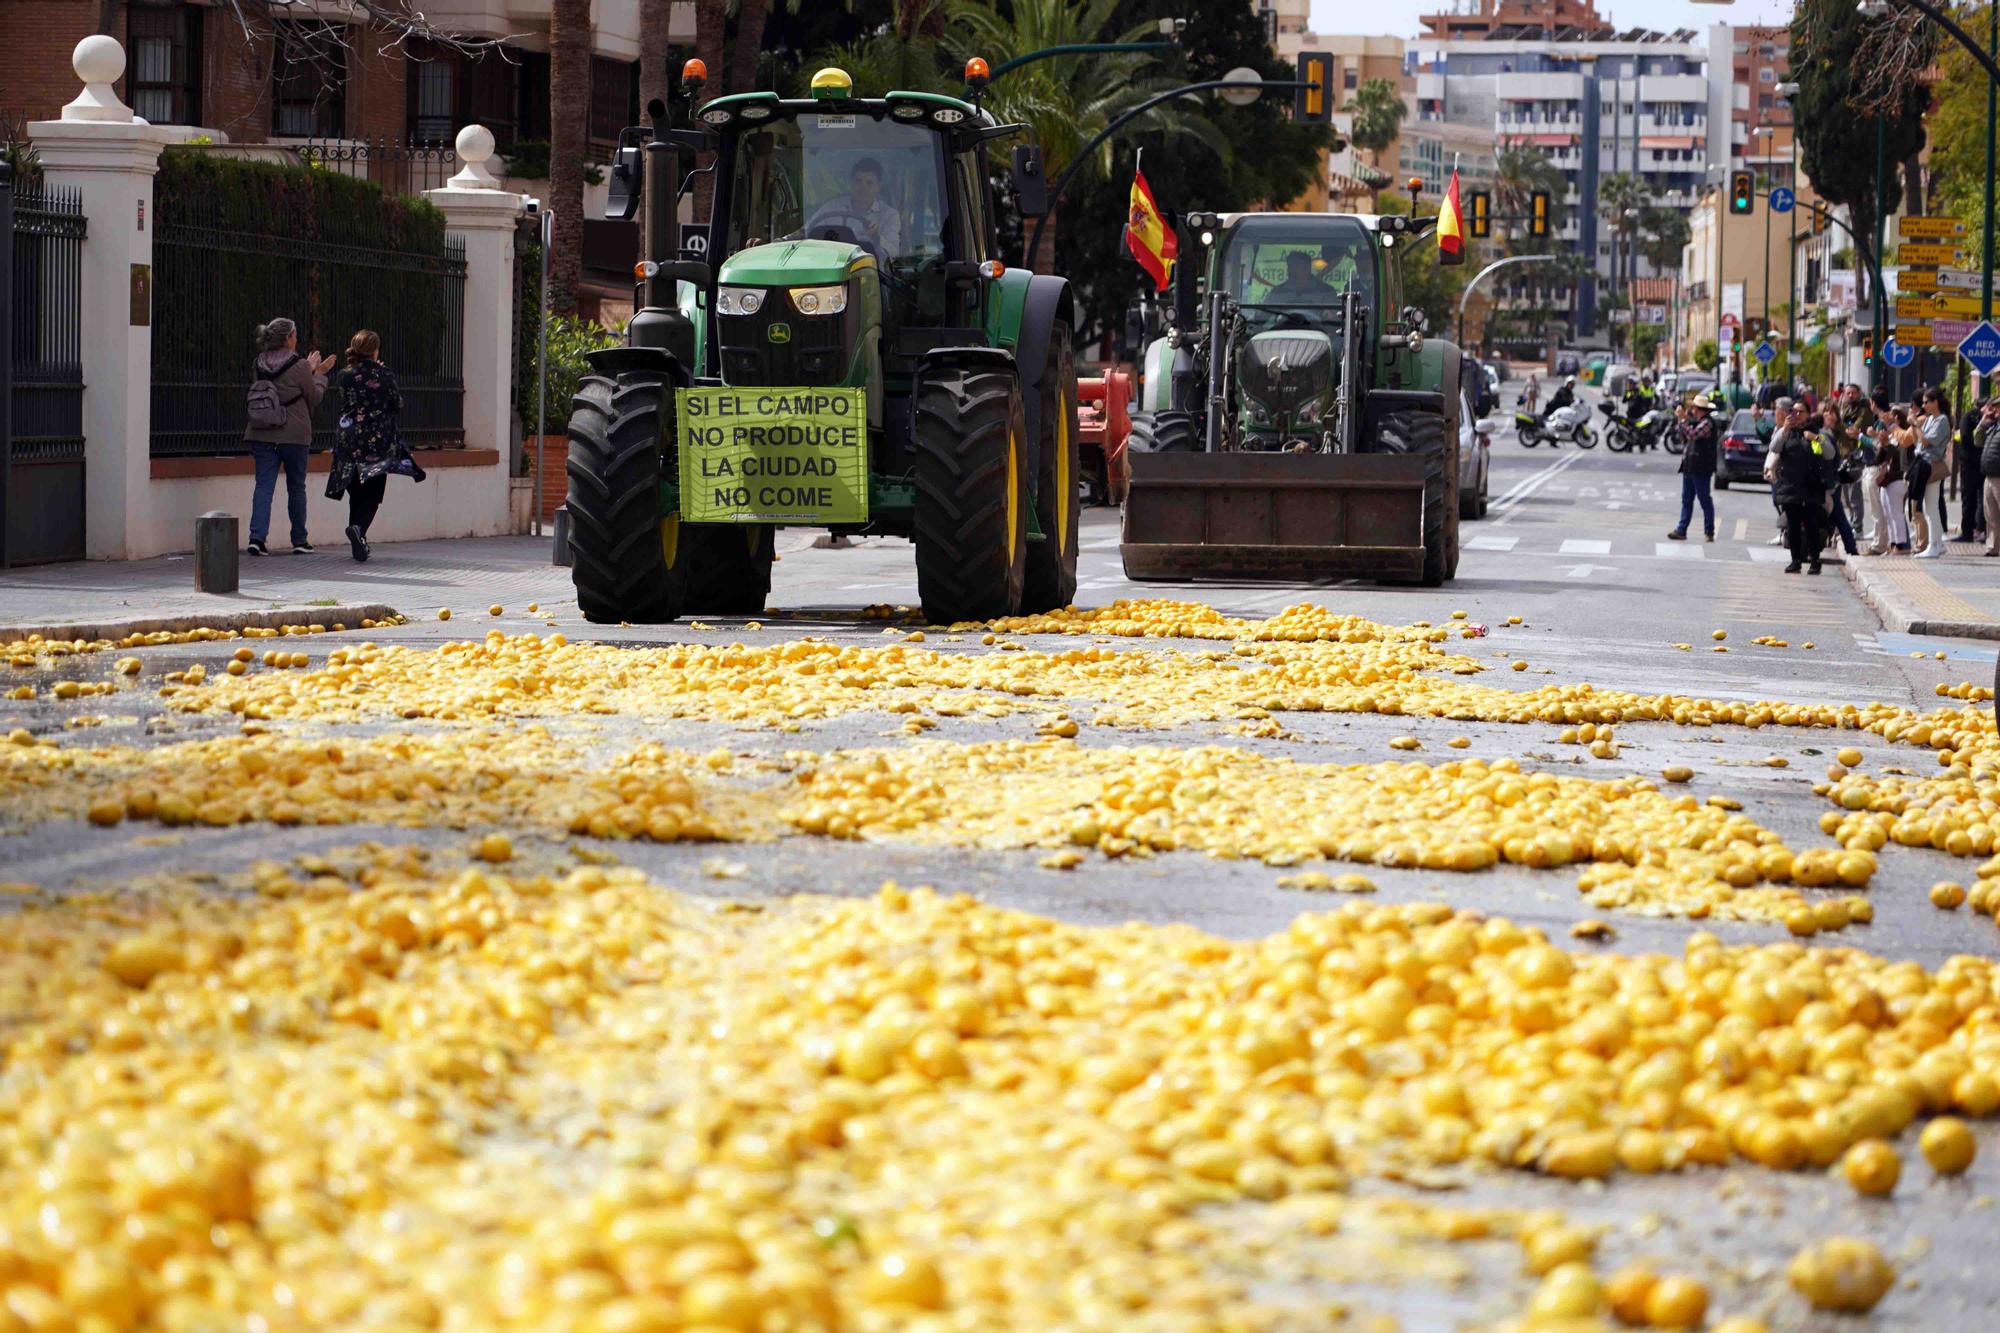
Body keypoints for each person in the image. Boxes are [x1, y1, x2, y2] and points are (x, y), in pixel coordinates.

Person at [328, 330, 422, 562]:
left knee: (355, 488)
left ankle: (358, 533)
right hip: (376, 440)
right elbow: (396, 403)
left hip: (348, 438)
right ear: (376, 350)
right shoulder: (385, 375)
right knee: (373, 490)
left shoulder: (344, 375)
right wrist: (380, 373)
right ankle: (358, 529)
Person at [243, 317, 333, 556]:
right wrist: (320, 373)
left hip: (262, 432)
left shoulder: (259, 362)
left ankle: (257, 538)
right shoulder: (300, 364)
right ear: (288, 338)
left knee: (263, 486)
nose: (297, 338)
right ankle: (299, 541)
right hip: (294, 433)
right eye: (295, 334)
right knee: (296, 487)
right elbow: (313, 397)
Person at [1770, 399, 1829, 574]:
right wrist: (1784, 430)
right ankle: (1795, 560)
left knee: (1812, 525)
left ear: (1807, 414)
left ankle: (1815, 561)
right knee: (1793, 526)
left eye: (1800, 412)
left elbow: (1828, 453)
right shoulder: (1786, 432)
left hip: (1811, 486)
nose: (1796, 415)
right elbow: (1774, 447)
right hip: (1790, 486)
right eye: (1793, 412)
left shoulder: (1815, 431)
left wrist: (1815, 439)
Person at [806, 157, 903, 257]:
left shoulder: (889, 215)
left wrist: (877, 237)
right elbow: (807, 230)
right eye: (858, 181)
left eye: (869, 183)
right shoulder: (833, 206)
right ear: (851, 183)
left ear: (878, 187)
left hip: (874, 271)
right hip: (834, 267)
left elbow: (893, 253)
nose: (863, 188)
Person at [1667, 396, 1718, 542]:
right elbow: (1684, 437)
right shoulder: (1697, 422)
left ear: (1699, 409)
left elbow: (1693, 434)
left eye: (1693, 408)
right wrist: (1681, 421)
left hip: (1701, 467)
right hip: (1689, 465)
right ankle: (1681, 530)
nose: (1691, 410)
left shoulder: (1707, 423)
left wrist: (1683, 420)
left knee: (1704, 500)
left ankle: (1709, 531)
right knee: (1686, 499)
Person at [1818, 403, 1860, 557]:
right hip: (1819, 480)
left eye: (1831, 412)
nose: (1828, 416)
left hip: (1832, 480)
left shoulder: (1831, 433)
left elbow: (1832, 454)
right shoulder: (1819, 434)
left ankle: (1851, 547)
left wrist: (1836, 424)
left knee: (1839, 514)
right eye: (1825, 412)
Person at [1914, 388, 1952, 557]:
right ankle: (1938, 543)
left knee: (1931, 506)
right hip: (1923, 463)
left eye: (1926, 402)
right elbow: (1919, 443)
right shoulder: (1930, 419)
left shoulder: (1942, 420)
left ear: (1935, 402)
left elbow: (1928, 442)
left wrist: (1915, 425)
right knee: (1928, 506)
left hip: (1933, 465)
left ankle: (1934, 544)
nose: (1923, 405)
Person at [1869, 412, 1912, 555]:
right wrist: (1882, 445)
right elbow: (1877, 459)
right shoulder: (1891, 436)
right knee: (1888, 514)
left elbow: (1898, 455)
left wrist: (1887, 444)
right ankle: (1893, 543)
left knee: (1897, 514)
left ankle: (1901, 545)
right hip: (1886, 481)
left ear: (1898, 418)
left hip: (1897, 480)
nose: (1886, 419)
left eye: (1891, 416)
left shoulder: (1903, 436)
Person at [1958, 393, 1988, 544]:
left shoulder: (1968, 417)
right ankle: (1977, 530)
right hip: (1974, 463)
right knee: (1976, 498)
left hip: (1974, 463)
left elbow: (1964, 437)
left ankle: (1971, 531)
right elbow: (1965, 437)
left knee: (1975, 499)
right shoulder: (1971, 417)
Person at [1266, 250, 1334, 304]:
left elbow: (1336, 318)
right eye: (1289, 266)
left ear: (1308, 268)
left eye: (1296, 266)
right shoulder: (1277, 293)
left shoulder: (1326, 292)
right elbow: (1261, 316)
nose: (1291, 270)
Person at [1981, 398, 2000, 556]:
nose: (1996, 411)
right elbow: (1977, 440)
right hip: (1989, 475)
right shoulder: (1993, 427)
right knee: (1990, 514)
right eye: (1995, 408)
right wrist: (1983, 422)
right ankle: (1993, 546)